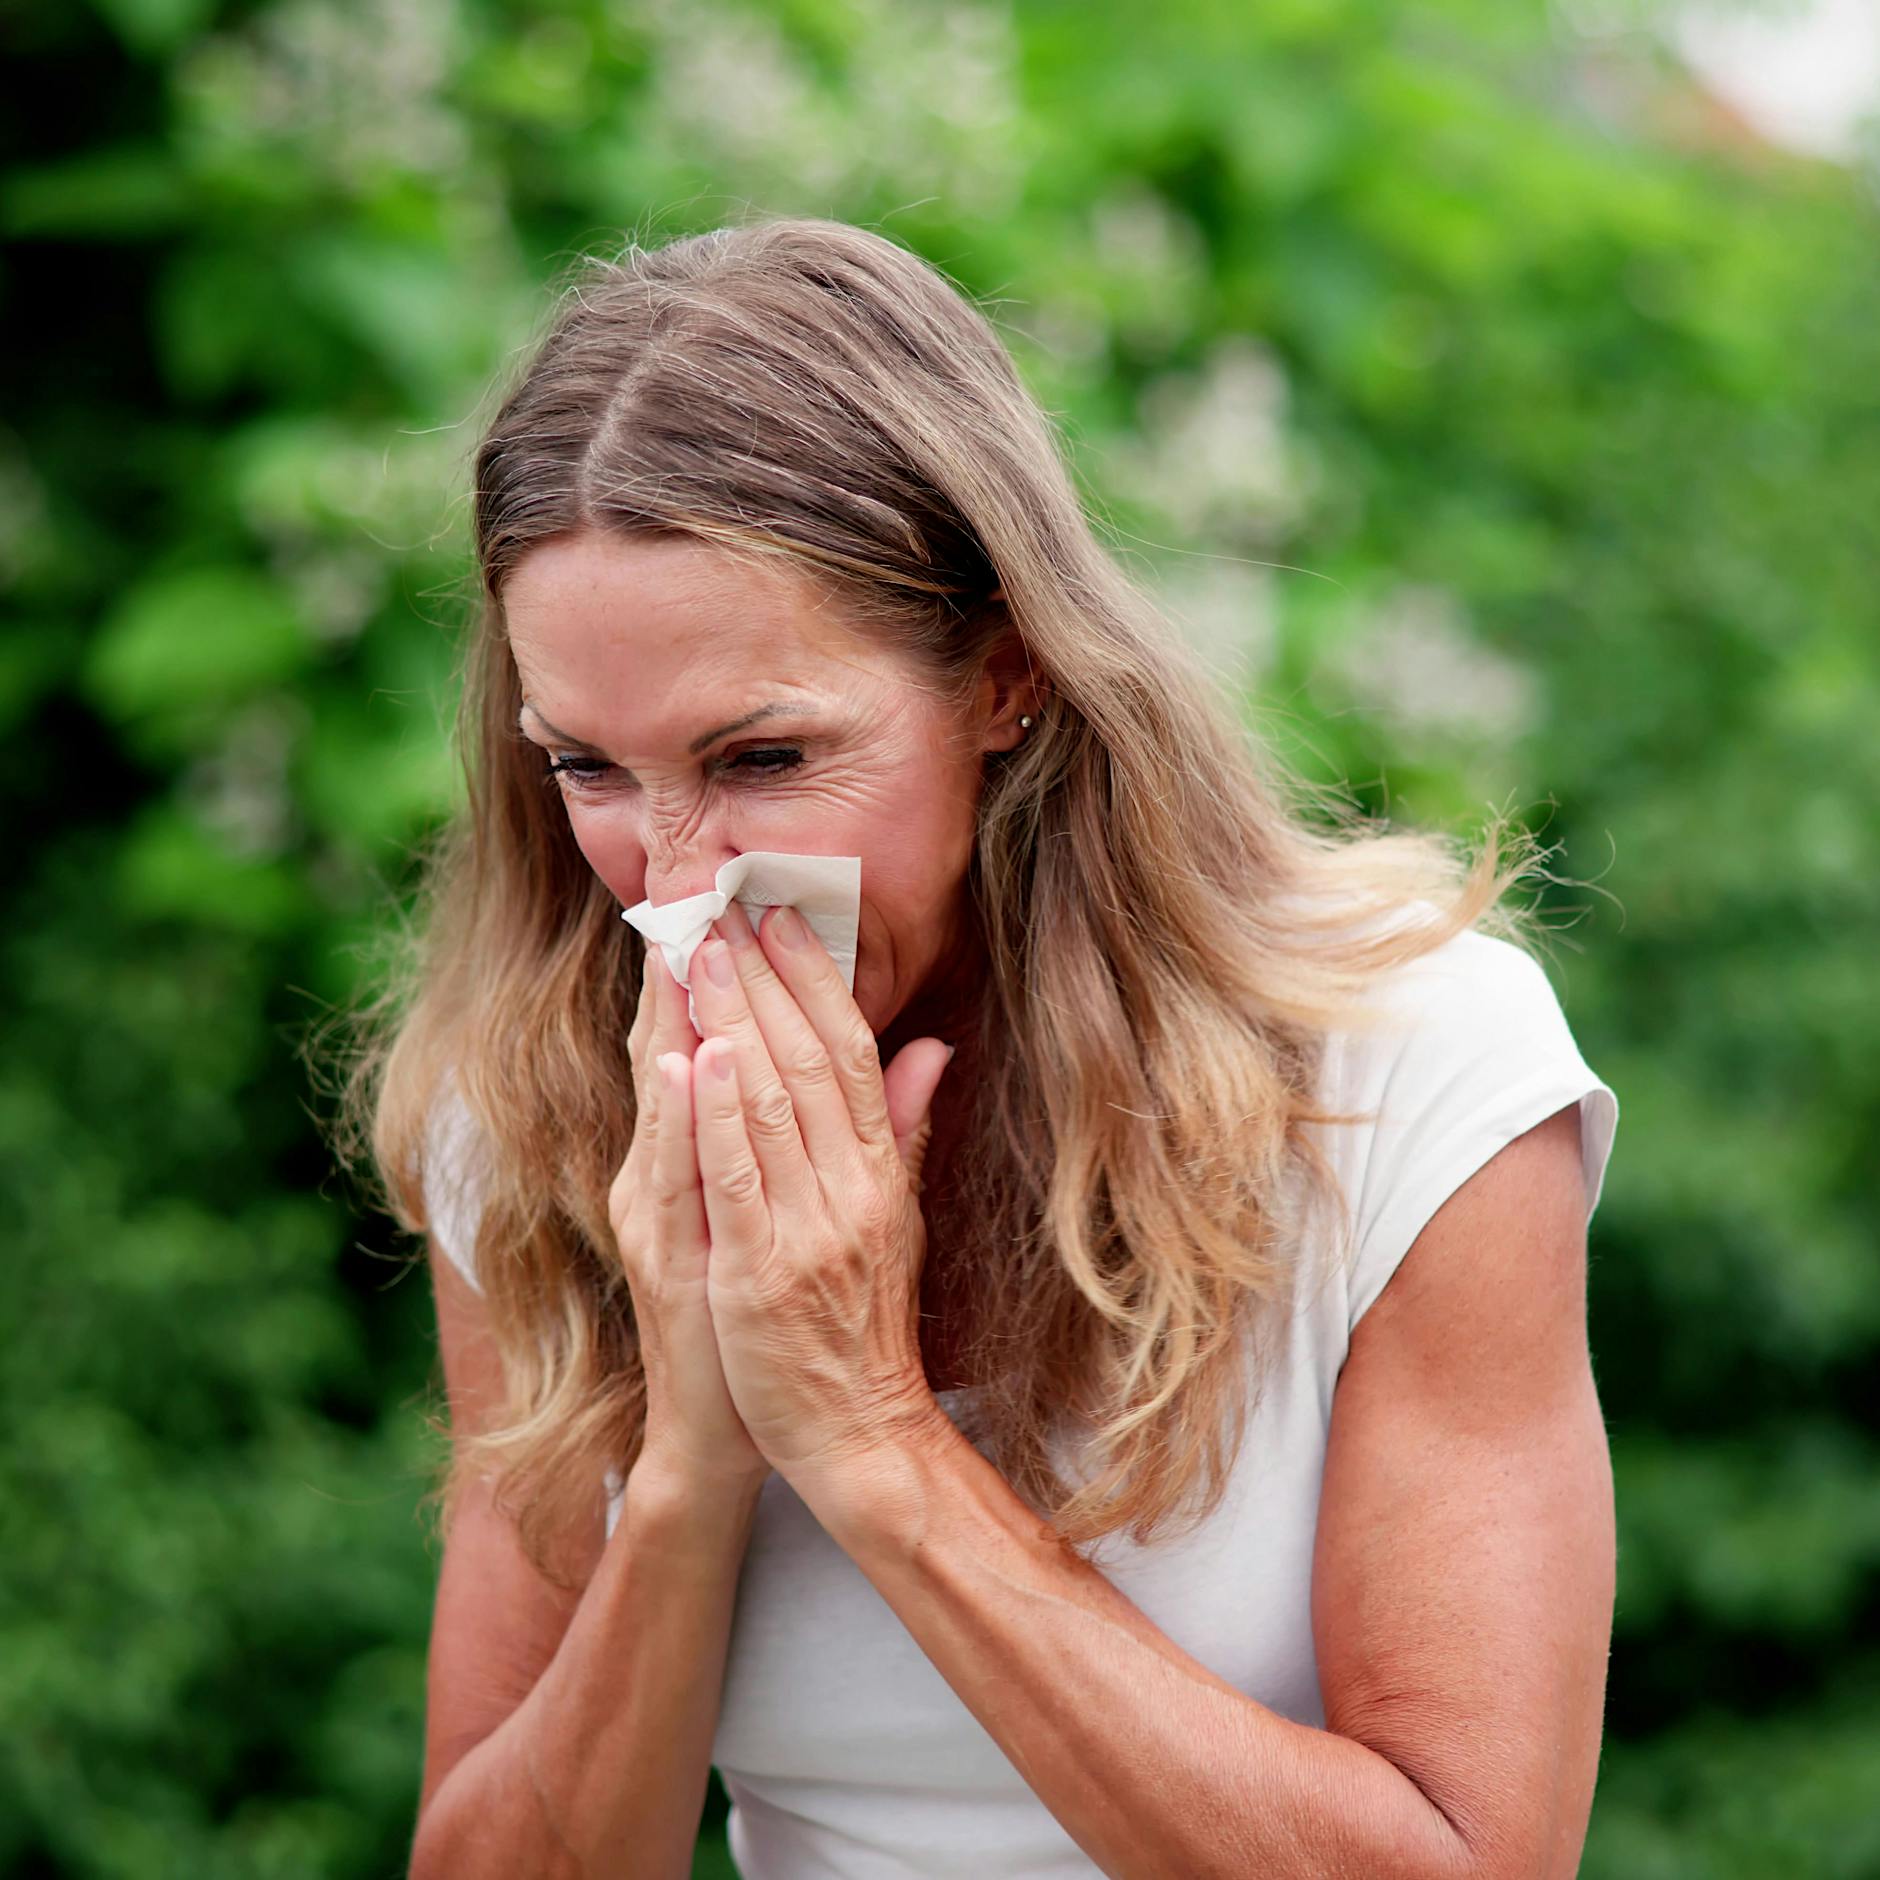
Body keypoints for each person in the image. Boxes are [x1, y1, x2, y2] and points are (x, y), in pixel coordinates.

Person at [341, 214, 1620, 1878]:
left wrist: (871, 1436)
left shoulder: (1409, 1072)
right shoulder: (537, 1107)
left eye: (766, 756)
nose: (678, 884)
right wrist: (698, 1455)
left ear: (1005, 676)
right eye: (585, 768)